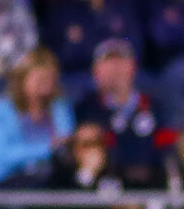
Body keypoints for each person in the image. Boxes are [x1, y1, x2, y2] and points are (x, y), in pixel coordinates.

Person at [72, 38, 169, 189]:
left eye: (121, 61)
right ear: (95, 70)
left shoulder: (155, 107)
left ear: (133, 67)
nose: (115, 68)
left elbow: (165, 148)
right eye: (108, 62)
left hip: (152, 187)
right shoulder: (84, 110)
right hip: (103, 191)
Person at [0, 48, 72, 187]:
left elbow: (65, 146)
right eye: (39, 79)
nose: (45, 83)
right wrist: (46, 148)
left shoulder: (59, 107)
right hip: (4, 181)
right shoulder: (0, 110)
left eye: (49, 78)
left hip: (48, 180)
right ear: (22, 79)